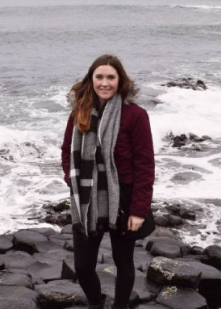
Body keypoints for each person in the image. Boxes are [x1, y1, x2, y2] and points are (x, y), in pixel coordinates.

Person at [61, 54, 155, 309]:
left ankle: (120, 306)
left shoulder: (135, 115)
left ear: (120, 81)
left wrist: (138, 210)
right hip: (87, 199)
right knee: (82, 266)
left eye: (110, 77)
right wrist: (74, 185)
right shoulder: (78, 113)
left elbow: (145, 165)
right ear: (90, 80)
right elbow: (67, 150)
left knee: (124, 262)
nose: (105, 83)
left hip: (123, 198)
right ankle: (95, 304)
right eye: (99, 77)